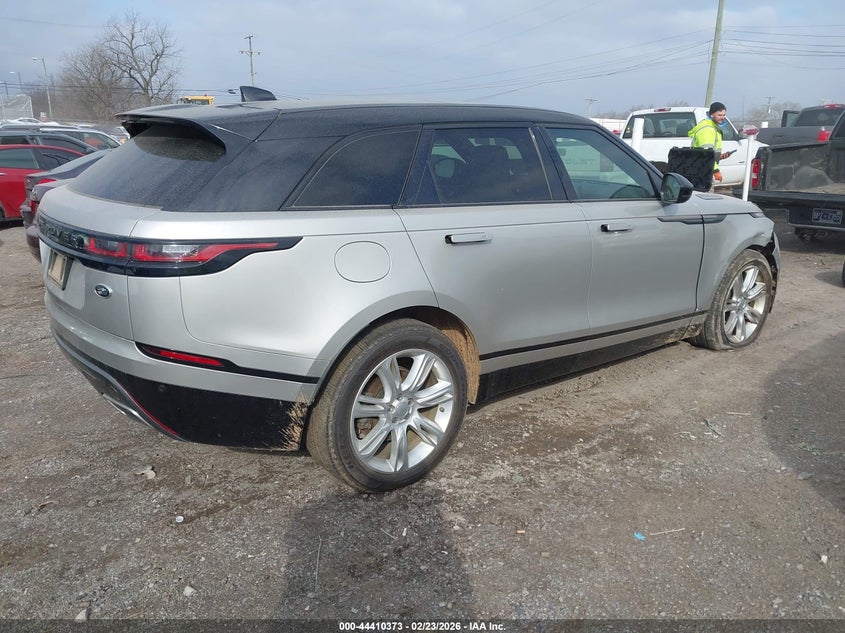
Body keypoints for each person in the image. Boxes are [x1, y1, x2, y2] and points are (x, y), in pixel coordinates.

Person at [688, 101, 732, 187]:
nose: (723, 117)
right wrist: (715, 170)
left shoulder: (712, 127)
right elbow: (706, 153)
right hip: (703, 171)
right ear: (711, 115)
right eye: (719, 115)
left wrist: (719, 156)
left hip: (705, 169)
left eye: (724, 115)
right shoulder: (708, 129)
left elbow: (709, 152)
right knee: (705, 197)